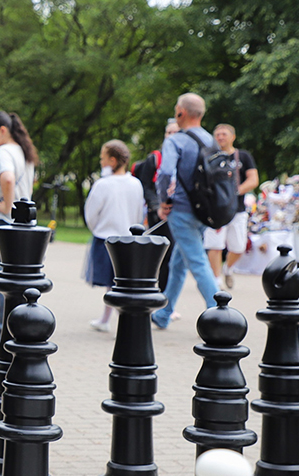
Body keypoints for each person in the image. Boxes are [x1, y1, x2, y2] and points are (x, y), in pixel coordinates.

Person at [150, 93, 220, 330]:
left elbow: (166, 173)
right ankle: (164, 313)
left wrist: (163, 201)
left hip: (181, 210)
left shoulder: (175, 140)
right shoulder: (212, 140)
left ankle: (219, 313)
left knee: (198, 262)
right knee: (179, 263)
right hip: (204, 212)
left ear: (181, 112)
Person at [0, 110, 37, 346]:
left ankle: (3, 329)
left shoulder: (3, 152)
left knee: (1, 276)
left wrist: (5, 206)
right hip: (22, 224)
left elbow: (8, 179)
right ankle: (20, 326)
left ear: (2, 130)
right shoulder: (22, 151)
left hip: (3, 223)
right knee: (17, 278)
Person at [84, 140, 144, 332]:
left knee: (112, 284)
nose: (101, 162)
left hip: (106, 240)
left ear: (112, 160)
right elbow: (138, 214)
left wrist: (97, 229)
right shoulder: (136, 184)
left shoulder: (103, 185)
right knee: (120, 282)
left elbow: (91, 214)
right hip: (128, 239)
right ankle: (107, 318)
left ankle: (121, 321)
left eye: (103, 158)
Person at [203, 124, 259, 289]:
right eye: (217, 134)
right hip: (215, 209)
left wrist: (235, 192)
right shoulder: (209, 157)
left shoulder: (242, 156)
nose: (220, 137)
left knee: (239, 246)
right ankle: (216, 280)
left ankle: (228, 268)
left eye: (224, 134)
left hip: (237, 209)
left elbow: (253, 179)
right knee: (215, 245)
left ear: (232, 136)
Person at [131, 119, 180, 291]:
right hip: (158, 214)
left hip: (179, 213)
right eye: (169, 133)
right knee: (158, 254)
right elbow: (145, 185)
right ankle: (152, 290)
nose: (172, 136)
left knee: (173, 257)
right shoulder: (155, 158)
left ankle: (166, 297)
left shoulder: (186, 158)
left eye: (176, 132)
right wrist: (157, 206)